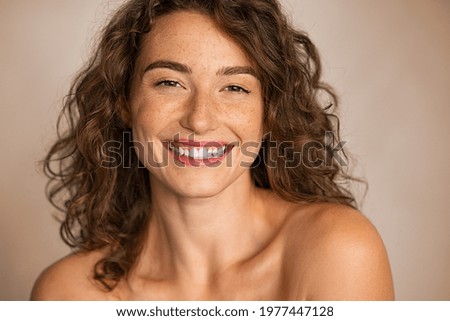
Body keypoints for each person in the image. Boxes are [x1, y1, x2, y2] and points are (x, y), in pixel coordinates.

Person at [31, 0, 394, 300]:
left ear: (269, 113)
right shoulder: (67, 295)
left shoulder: (339, 252)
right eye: (170, 83)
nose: (200, 120)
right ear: (123, 103)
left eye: (235, 88)